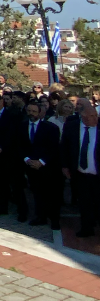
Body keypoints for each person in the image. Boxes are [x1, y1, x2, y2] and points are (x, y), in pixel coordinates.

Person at [21, 99, 62, 229]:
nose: (31, 113)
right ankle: (41, 217)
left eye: (34, 111)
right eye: (29, 111)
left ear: (40, 113)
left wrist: (42, 161)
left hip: (48, 167)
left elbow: (54, 148)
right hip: (31, 166)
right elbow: (19, 145)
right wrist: (27, 159)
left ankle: (54, 219)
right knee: (37, 193)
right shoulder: (21, 126)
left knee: (51, 194)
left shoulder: (50, 128)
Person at [61, 99, 99, 238]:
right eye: (90, 117)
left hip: (97, 173)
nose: (94, 119)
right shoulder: (72, 126)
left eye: (95, 116)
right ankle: (87, 228)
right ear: (83, 117)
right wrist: (65, 166)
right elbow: (64, 147)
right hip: (80, 173)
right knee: (84, 202)